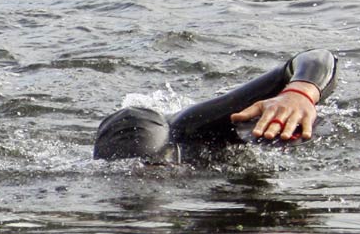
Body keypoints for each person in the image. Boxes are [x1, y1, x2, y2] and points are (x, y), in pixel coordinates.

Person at [93, 49, 338, 164]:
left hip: (147, 127)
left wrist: (298, 93)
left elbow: (316, 57)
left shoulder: (195, 129)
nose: (153, 178)